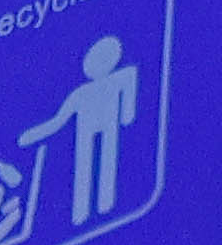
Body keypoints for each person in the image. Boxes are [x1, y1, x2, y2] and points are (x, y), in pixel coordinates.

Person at [18, 29, 142, 228]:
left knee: (107, 159)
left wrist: (128, 114)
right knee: (85, 164)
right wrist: (31, 136)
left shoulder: (118, 79)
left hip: (108, 125)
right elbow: (58, 121)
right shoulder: (81, 93)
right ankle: (82, 213)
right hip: (85, 129)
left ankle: (103, 205)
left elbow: (130, 86)